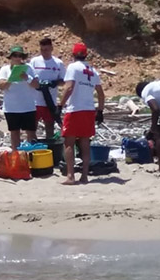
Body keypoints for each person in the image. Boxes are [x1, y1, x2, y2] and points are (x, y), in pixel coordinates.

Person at [58, 42, 105, 185]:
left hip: (75, 109)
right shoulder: (93, 70)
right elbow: (101, 94)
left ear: (73, 55)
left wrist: (60, 105)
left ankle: (70, 176)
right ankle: (84, 176)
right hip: (89, 109)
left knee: (69, 143)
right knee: (85, 143)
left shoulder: (73, 67)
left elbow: (69, 87)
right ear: (86, 55)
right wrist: (100, 110)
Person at [0, 46, 41, 149]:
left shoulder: (29, 68)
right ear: (11, 57)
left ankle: (32, 156)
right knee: (14, 134)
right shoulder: (4, 69)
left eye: (20, 56)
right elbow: (1, 86)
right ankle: (16, 158)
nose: (17, 58)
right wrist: (11, 78)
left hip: (28, 107)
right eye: (15, 55)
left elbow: (37, 85)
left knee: (31, 133)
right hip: (12, 108)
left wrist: (27, 78)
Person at [29, 37, 66, 139]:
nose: (44, 52)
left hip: (50, 101)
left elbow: (64, 81)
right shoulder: (34, 62)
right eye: (42, 50)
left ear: (51, 48)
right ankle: (32, 149)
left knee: (49, 127)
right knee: (32, 128)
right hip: (35, 101)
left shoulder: (58, 63)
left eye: (46, 50)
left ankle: (50, 149)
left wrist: (54, 83)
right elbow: (28, 78)